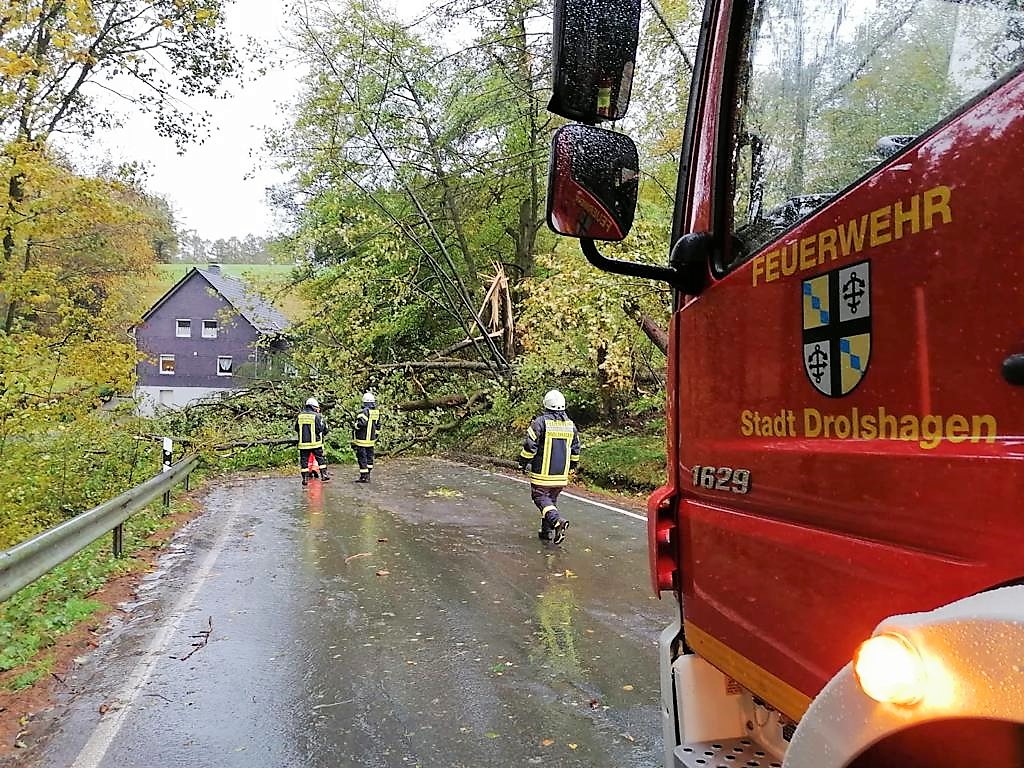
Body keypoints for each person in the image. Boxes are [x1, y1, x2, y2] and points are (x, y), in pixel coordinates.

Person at [518, 389, 581, 544]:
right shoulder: (570, 425)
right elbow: (576, 448)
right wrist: (572, 466)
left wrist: (523, 462)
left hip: (542, 474)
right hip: (560, 475)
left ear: (546, 405)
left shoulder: (540, 422)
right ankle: (546, 531)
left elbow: (529, 445)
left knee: (540, 497)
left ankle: (556, 522)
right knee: (550, 500)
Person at [296, 397, 330, 486]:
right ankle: (324, 475)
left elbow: (296, 428)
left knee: (304, 462)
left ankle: (305, 479)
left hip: (303, 444)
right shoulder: (317, 416)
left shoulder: (300, 416)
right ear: (314, 407)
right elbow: (321, 429)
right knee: (320, 460)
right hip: (315, 443)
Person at [352, 391, 381, 483]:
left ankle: (363, 476)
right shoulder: (376, 412)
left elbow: (362, 423)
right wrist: (375, 436)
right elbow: (378, 426)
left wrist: (355, 425)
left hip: (362, 440)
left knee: (362, 457)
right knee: (369, 457)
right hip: (371, 440)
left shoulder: (364, 412)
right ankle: (368, 474)